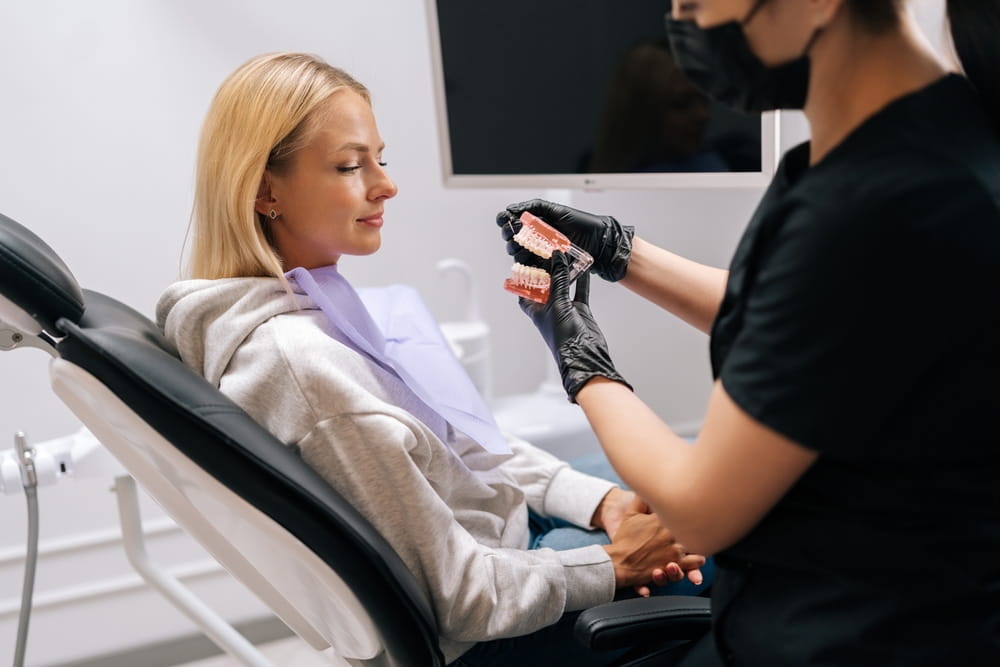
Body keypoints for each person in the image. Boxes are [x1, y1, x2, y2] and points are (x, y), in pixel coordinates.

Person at [155, 52, 709, 667]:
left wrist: (599, 502)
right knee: (744, 544)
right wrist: (615, 563)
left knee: (637, 487)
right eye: (348, 165)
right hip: (495, 629)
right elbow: (464, 602)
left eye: (380, 159)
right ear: (264, 191)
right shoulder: (303, 368)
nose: (386, 185)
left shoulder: (318, 308)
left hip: (510, 540)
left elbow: (460, 445)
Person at [496, 1, 1000, 665]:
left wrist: (576, 350)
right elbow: (812, 319)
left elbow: (699, 508)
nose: (685, 22)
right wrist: (622, 253)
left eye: (698, 1)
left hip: (856, 633)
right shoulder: (920, 138)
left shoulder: (885, 202)